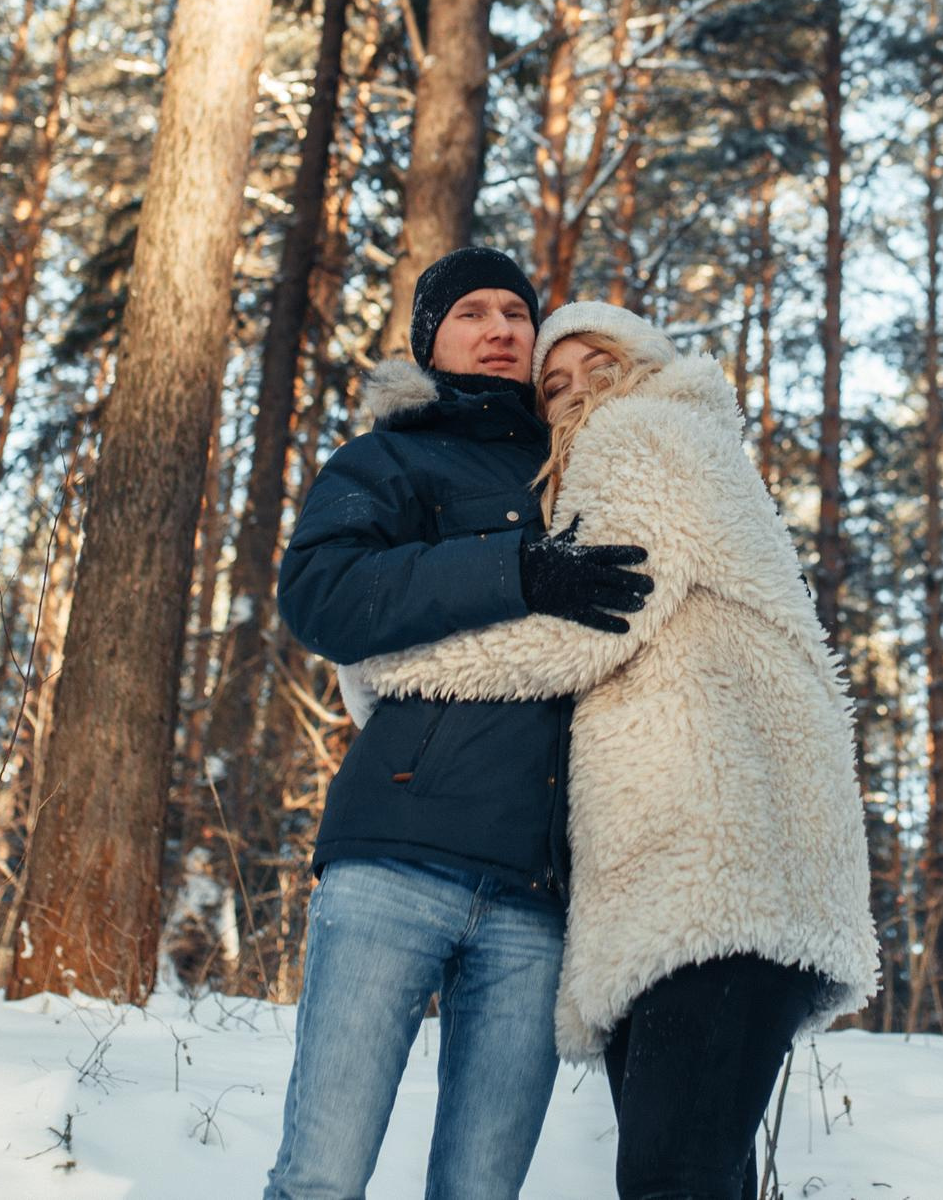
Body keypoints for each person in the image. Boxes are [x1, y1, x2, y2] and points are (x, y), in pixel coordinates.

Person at [349, 300, 879, 1200]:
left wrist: (396, 668)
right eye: (554, 383)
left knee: (671, 1176)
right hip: (711, 880)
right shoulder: (679, 450)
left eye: (598, 365)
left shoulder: (643, 436)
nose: (575, 391)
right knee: (698, 1175)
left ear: (642, 365)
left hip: (718, 873)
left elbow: (586, 626)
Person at [262, 251, 656, 1200]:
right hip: (395, 853)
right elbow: (321, 594)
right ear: (430, 339)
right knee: (321, 1177)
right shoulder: (389, 458)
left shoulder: (581, 463)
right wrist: (511, 568)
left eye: (516, 312)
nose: (501, 328)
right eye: (472, 312)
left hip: (539, 898)